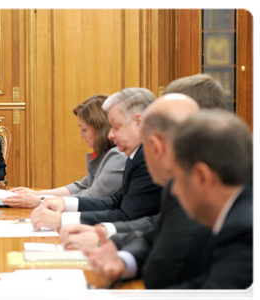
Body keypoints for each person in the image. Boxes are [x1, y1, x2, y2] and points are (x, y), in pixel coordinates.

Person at [74, 110, 257, 300]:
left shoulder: (247, 230)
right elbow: (201, 287)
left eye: (177, 178)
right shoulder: (239, 209)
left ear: (202, 177)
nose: (174, 191)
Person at [60, 72, 228, 249]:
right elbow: (158, 224)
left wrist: (104, 238)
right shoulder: (147, 156)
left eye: (165, 121)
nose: (110, 135)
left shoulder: (206, 170)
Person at [71, 94, 212, 292]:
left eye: (116, 126)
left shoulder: (242, 220)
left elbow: (167, 273)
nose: (110, 135)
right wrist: (124, 261)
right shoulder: (182, 183)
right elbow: (156, 229)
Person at [31, 87, 162, 230]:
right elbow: (117, 202)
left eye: (116, 127)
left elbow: (129, 216)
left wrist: (64, 219)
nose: (110, 135)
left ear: (138, 122)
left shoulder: (147, 157)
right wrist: (63, 203)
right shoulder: (136, 154)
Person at [3, 95, 127, 208]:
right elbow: (82, 185)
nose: (81, 136)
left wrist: (40, 200)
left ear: (101, 130)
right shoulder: (105, 153)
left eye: (84, 130)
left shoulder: (118, 155)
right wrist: (35, 193)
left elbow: (92, 196)